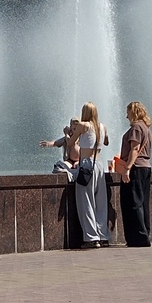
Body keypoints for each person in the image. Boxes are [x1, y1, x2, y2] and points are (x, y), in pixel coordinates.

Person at [39, 103, 111, 246]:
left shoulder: (83, 125)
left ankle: (92, 238)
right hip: (99, 165)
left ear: (85, 112)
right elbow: (106, 142)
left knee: (86, 201)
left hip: (86, 165)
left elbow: (71, 142)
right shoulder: (102, 126)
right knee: (101, 202)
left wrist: (67, 132)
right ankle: (103, 236)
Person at [118, 101, 152, 248]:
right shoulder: (146, 128)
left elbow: (134, 149)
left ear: (133, 112)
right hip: (145, 167)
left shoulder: (136, 128)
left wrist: (127, 168)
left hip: (136, 168)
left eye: (128, 112)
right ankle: (143, 234)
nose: (126, 116)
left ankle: (139, 237)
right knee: (142, 203)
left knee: (133, 203)